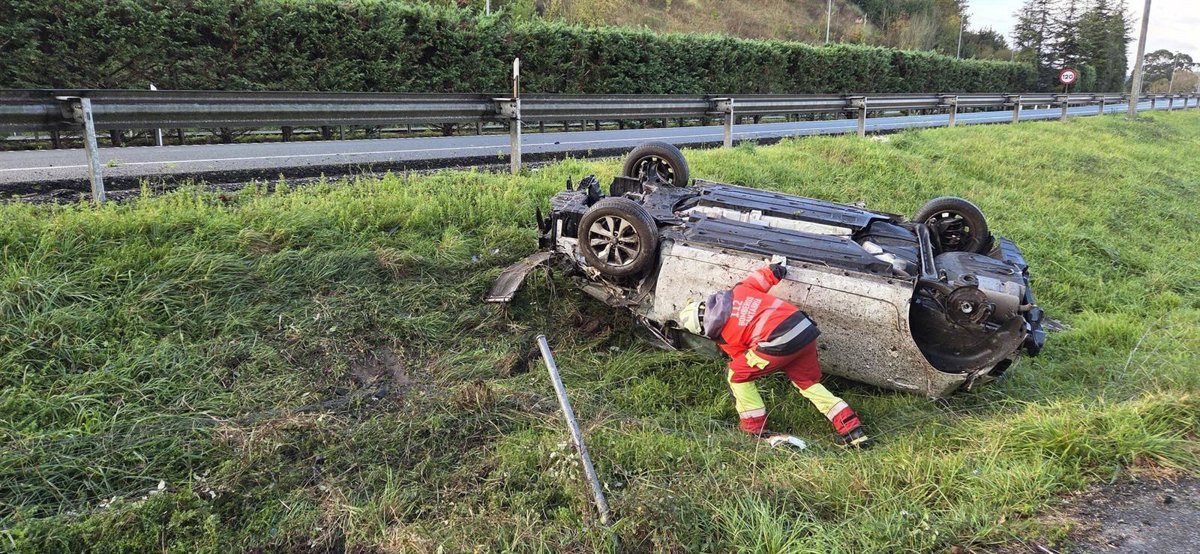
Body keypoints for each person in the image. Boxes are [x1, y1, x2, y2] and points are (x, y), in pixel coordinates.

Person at [677, 263, 872, 448]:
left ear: (702, 330)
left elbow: (742, 361)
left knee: (735, 375)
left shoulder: (725, 337)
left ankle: (754, 429)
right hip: (804, 329)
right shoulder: (738, 292)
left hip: (778, 343)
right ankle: (853, 431)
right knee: (809, 384)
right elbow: (762, 277)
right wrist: (776, 270)